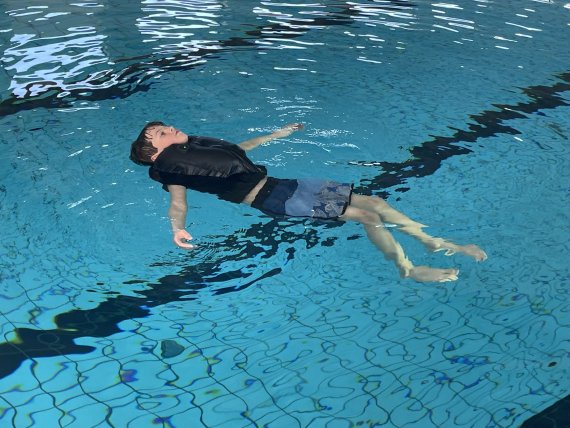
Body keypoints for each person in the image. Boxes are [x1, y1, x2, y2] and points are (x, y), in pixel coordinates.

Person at [130, 122, 487, 283]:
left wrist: (276, 134)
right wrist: (177, 228)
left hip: (287, 184)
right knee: (366, 216)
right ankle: (407, 270)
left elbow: (240, 151)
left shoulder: (198, 154)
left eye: (164, 126)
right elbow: (178, 205)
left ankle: (435, 243)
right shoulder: (175, 173)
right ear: (156, 154)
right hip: (274, 200)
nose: (169, 128)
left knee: (374, 200)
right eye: (160, 133)